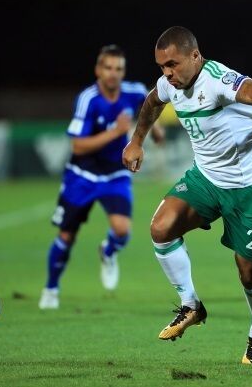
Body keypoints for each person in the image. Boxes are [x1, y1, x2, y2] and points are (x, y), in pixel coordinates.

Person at [122, 26, 252, 364]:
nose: (167, 73)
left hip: (249, 187)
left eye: (173, 64)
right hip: (206, 180)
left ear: (195, 56)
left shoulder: (218, 80)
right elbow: (152, 101)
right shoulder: (170, 84)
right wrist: (137, 140)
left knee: (249, 274)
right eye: (161, 66)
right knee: (160, 228)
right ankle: (190, 305)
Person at [39, 44, 164, 309]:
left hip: (115, 173)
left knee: (122, 230)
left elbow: (150, 105)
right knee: (66, 237)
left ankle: (108, 251)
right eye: (108, 67)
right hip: (81, 175)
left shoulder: (134, 91)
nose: (113, 73)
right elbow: (77, 146)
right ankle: (51, 289)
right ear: (98, 70)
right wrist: (117, 132)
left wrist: (156, 129)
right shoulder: (88, 99)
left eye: (118, 68)